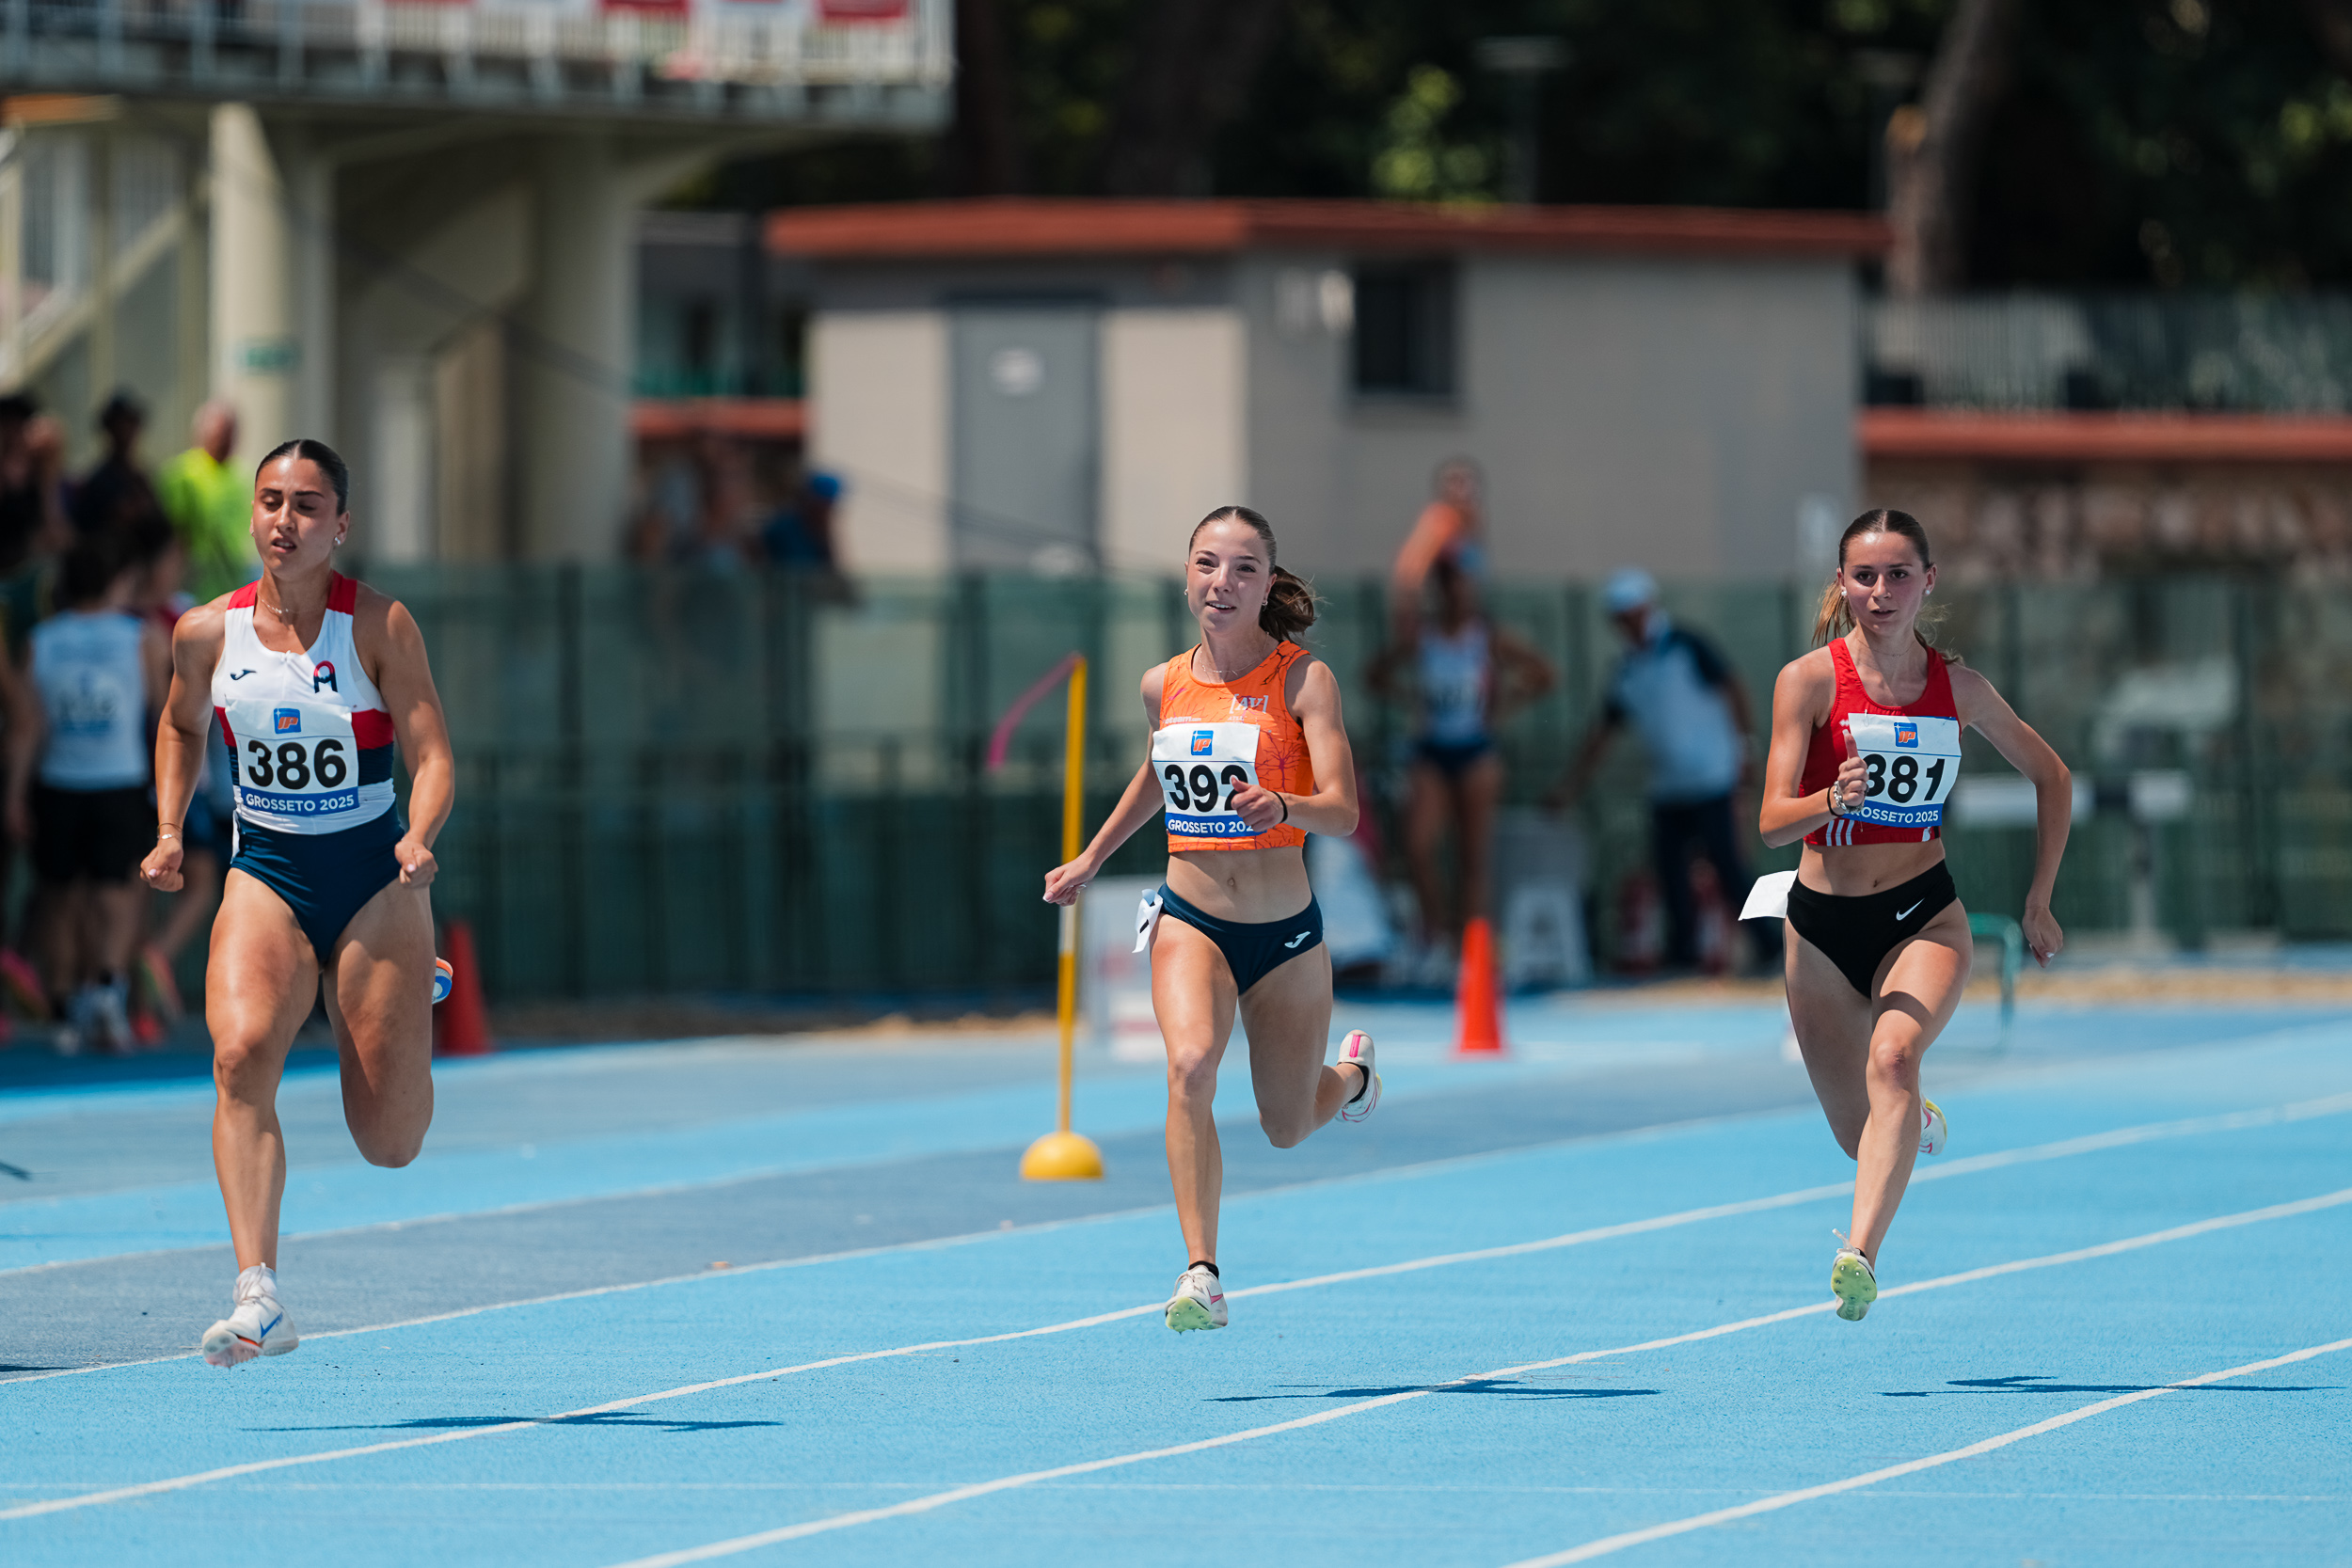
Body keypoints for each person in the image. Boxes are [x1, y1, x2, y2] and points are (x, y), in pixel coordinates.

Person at [140, 438, 457, 1368]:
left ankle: (410, 979)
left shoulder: (379, 625)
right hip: (267, 870)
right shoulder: (206, 632)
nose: (286, 519)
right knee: (239, 1054)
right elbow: (181, 724)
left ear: (340, 525)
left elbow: (433, 753)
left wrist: (418, 835)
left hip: (374, 877)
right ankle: (259, 1296)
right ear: (252, 516)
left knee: (390, 1141)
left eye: (308, 504)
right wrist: (169, 828)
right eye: (271, 501)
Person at [1043, 505, 1376, 1334]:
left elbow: (1343, 809)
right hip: (1192, 917)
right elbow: (1158, 774)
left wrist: (1284, 803)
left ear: (1268, 585)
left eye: (1242, 568)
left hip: (1285, 934)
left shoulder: (1305, 681)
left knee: (1286, 1125)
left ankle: (1354, 1078)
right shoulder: (1164, 683)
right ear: (1188, 576)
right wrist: (1092, 856)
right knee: (1190, 1066)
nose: (1221, 582)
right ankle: (1202, 1272)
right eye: (1206, 564)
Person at [1756, 508, 2069, 1322]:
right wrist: (1830, 799)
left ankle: (1858, 1257)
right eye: (1865, 575)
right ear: (1842, 584)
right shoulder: (1808, 681)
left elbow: (2052, 775)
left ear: (1928, 582)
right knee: (1859, 1136)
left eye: (1898, 574)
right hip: (1821, 929)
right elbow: (1770, 822)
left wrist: (2039, 897)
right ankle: (1913, 1121)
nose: (1881, 590)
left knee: (1893, 1058)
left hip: (1922, 917)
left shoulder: (1959, 689)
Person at [1549, 567, 1776, 973]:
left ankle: (1769, 944)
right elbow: (1602, 733)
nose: (1631, 623)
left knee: (1728, 865)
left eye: (1635, 613)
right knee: (1670, 873)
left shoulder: (1689, 646)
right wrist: (1570, 786)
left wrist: (1746, 749)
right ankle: (1683, 955)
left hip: (1712, 779)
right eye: (1623, 617)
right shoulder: (1626, 670)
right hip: (1668, 788)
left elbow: (1734, 688)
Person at [6, 535, 169, 1052]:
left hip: (58, 781)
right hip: (119, 781)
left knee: (61, 895)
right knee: (115, 892)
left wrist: (15, 794)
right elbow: (163, 714)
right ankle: (105, 986)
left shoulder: (42, 640)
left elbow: (27, 723)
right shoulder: (142, 637)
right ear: (117, 581)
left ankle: (68, 1002)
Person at [1367, 557, 1556, 982]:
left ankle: (1470, 948)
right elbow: (1375, 673)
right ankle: (1438, 932)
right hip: (1432, 751)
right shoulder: (1423, 637)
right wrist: (1410, 700)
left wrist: (1504, 706)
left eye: (1463, 588)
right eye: (1450, 588)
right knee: (1417, 844)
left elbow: (1544, 674)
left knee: (1472, 857)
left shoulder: (1486, 636)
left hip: (1476, 751)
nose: (1458, 596)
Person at [155, 400, 260, 604]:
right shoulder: (181, 475)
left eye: (230, 433)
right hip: (192, 587)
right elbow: (171, 535)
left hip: (236, 584)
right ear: (201, 433)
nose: (225, 439)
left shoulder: (243, 477)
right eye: (220, 432)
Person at [1388, 456, 1485, 640]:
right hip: (1439, 619)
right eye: (1455, 482)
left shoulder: (1466, 526)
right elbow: (1410, 573)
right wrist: (1409, 614)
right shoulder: (1441, 520)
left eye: (1466, 481)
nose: (1463, 489)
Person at [71, 389, 164, 540]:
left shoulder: (143, 476)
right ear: (109, 430)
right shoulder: (99, 481)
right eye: (119, 424)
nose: (126, 431)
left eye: (130, 423)